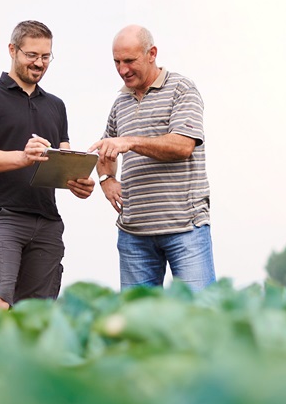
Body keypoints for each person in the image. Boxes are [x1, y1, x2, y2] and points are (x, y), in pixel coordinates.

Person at [0, 20, 94, 309]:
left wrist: (78, 183)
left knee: (36, 316)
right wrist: (22, 157)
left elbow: (64, 162)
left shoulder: (56, 105)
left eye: (46, 57)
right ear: (12, 50)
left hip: (47, 221)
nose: (39, 63)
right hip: (1, 216)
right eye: (31, 55)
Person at [89, 24, 215, 291]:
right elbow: (107, 148)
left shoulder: (182, 89)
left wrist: (130, 141)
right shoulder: (120, 103)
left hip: (185, 228)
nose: (123, 70)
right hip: (134, 234)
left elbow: (182, 145)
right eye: (117, 62)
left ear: (152, 53)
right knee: (137, 326)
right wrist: (106, 179)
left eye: (130, 61)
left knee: (202, 316)